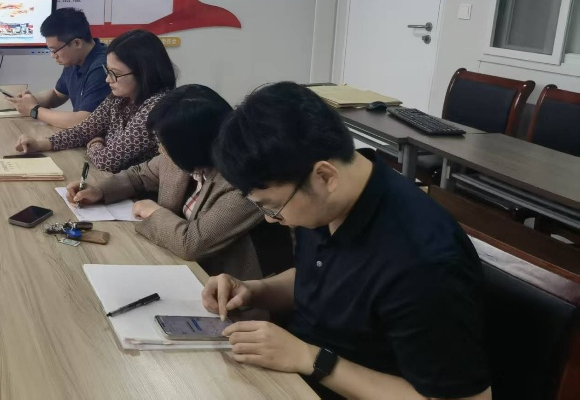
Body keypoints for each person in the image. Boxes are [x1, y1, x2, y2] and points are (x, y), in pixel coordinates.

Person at [204, 82, 490, 400]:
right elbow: (324, 280)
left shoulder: (423, 263)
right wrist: (255, 291)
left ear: (325, 176)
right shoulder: (328, 202)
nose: (272, 219)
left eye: (273, 207)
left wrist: (310, 359)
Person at [66, 84, 274, 280]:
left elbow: (192, 244)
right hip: (169, 260)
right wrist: (100, 191)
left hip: (218, 283)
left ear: (191, 146)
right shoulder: (181, 159)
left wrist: (154, 212)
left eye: (164, 143)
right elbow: (138, 174)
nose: (160, 149)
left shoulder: (243, 183)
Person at [14, 29, 176, 173]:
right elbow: (85, 130)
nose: (108, 79)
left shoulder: (156, 109)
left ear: (143, 73)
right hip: (110, 180)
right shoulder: (120, 97)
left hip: (134, 190)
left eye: (115, 73)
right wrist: (40, 144)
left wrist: (95, 142)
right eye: (108, 71)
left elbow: (107, 160)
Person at [5, 8, 110, 129]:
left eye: (55, 50)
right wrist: (29, 101)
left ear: (77, 43)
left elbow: (84, 121)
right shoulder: (75, 60)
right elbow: (57, 95)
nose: (53, 55)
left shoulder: (102, 68)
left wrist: (34, 110)